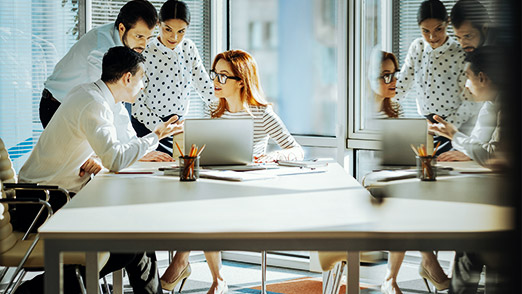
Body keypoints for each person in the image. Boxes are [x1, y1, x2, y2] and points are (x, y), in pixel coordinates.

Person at [15, 46, 183, 294]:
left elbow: (106, 148)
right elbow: (115, 158)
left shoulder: (91, 95)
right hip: (42, 203)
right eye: (142, 79)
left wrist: (96, 156)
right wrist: (154, 136)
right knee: (130, 242)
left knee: (136, 235)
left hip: (51, 196)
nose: (144, 85)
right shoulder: (94, 103)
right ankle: (36, 290)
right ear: (128, 78)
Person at [428, 46, 509, 294]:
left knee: (471, 246)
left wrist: (455, 135)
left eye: (468, 76)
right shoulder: (494, 104)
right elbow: (483, 146)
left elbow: (492, 155)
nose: (466, 84)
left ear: (482, 77)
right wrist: (463, 144)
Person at [40, 0, 158, 128]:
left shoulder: (123, 42)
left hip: (77, 106)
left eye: (148, 38)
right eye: (139, 36)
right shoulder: (102, 49)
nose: (144, 45)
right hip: (56, 107)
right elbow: (108, 96)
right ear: (122, 28)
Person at [395, 0, 481, 155]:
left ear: (447, 23)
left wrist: (446, 127)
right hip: (424, 127)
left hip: (451, 129)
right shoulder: (417, 47)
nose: (432, 37)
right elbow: (403, 82)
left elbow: (469, 101)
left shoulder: (460, 53)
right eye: (425, 31)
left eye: (438, 29)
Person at [132, 0, 214, 156]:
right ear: (158, 24)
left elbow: (204, 86)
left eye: (181, 31)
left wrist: (227, 109)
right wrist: (160, 128)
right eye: (167, 29)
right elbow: (137, 105)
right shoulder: (145, 53)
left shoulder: (189, 48)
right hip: (148, 128)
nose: (174, 37)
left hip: (177, 128)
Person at [368, 50, 403, 118]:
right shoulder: (359, 113)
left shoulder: (395, 108)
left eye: (394, 74)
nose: (395, 81)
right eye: (387, 75)